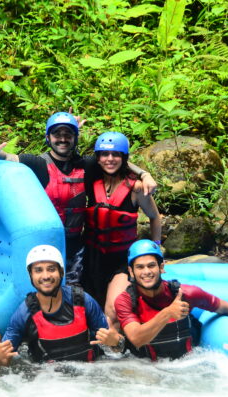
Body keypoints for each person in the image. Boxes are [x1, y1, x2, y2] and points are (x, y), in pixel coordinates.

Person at [0, 112, 157, 285]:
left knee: (75, 295)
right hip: (45, 243)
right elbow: (7, 157)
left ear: (75, 138)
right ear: (48, 138)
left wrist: (144, 174)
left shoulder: (86, 165)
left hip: (76, 246)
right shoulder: (36, 164)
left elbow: (115, 157)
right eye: (57, 134)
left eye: (68, 134)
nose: (62, 139)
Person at [115, 239, 228, 360]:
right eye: (140, 267)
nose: (146, 272)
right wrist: (168, 313)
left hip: (188, 365)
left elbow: (226, 307)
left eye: (151, 265)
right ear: (131, 272)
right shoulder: (125, 301)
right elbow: (137, 339)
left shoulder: (187, 293)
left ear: (161, 267)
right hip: (147, 369)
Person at [0, 245, 125, 367]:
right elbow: (3, 361)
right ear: (31, 275)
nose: (46, 276)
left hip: (88, 375)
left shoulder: (83, 301)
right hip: (48, 381)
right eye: (38, 270)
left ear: (61, 272)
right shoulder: (23, 314)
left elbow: (118, 347)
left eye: (51, 269)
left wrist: (116, 342)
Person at [81, 131, 161, 328]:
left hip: (120, 260)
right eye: (105, 155)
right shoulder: (91, 181)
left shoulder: (136, 188)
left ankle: (115, 354)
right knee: (89, 310)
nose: (110, 159)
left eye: (116, 155)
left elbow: (154, 217)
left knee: (113, 311)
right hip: (92, 257)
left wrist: (156, 248)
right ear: (97, 158)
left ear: (124, 158)